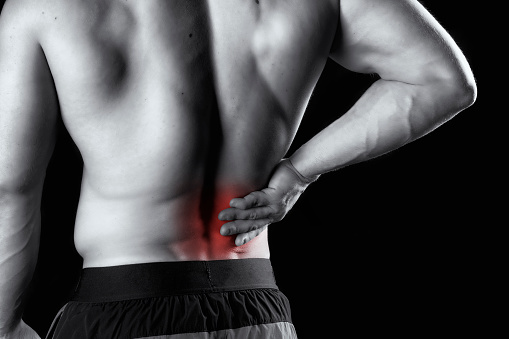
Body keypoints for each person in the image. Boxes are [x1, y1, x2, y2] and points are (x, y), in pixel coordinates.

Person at [0, 0, 476, 338]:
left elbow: (11, 186)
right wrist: (297, 172)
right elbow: (444, 80)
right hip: (258, 311)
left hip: (120, 310)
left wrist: (6, 324)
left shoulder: (45, 7)